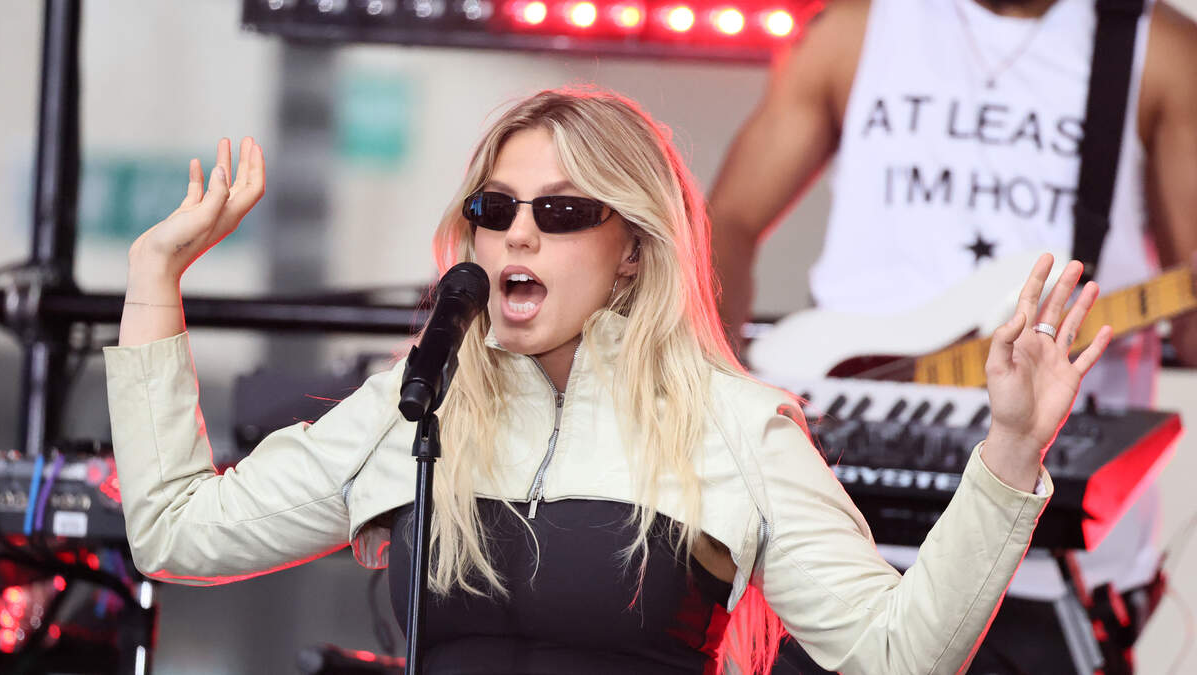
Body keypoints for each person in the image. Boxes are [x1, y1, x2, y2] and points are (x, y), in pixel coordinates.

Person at [105, 89, 1110, 674]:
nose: (519, 234)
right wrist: (153, 278)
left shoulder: (734, 424)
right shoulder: (414, 402)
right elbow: (174, 532)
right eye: (495, 208)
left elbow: (899, 656)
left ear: (632, 249)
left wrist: (1012, 450)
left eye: (562, 212)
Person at [709, 0, 1197, 669]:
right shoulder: (854, 30)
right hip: (837, 531)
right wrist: (714, 385)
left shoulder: (1158, 49)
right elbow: (727, 222)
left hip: (1050, 554)